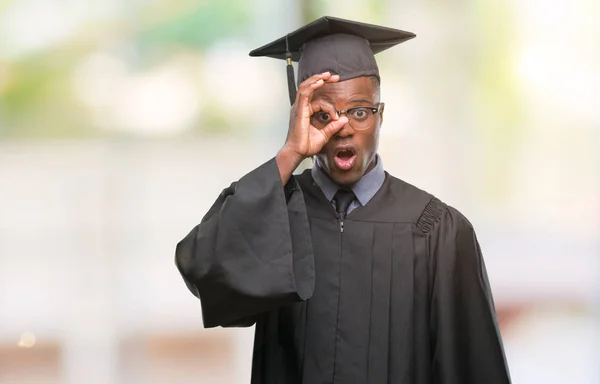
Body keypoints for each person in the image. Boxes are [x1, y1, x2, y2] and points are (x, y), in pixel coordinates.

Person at [175, 16, 511, 384]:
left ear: (381, 117)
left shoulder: (437, 231)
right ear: (301, 119)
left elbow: (473, 371)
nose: (343, 127)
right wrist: (289, 154)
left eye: (360, 112)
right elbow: (201, 267)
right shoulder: (277, 212)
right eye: (323, 115)